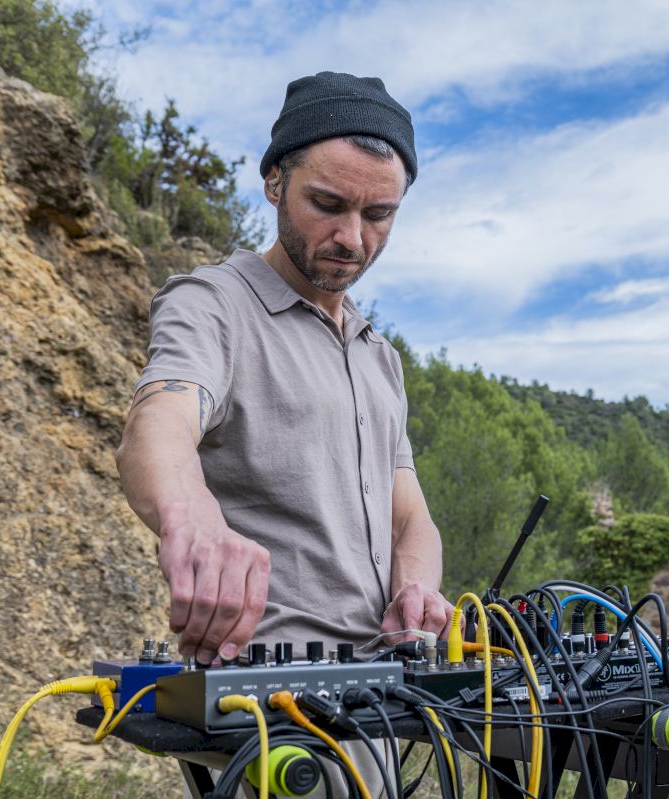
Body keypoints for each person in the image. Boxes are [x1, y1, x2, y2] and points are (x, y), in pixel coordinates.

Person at [117, 71, 452, 672]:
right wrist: (192, 519)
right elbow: (159, 422)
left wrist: (416, 589)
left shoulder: (380, 356)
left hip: (388, 685)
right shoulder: (213, 303)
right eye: (327, 204)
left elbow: (409, 519)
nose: (352, 238)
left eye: (379, 214)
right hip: (265, 692)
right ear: (275, 182)